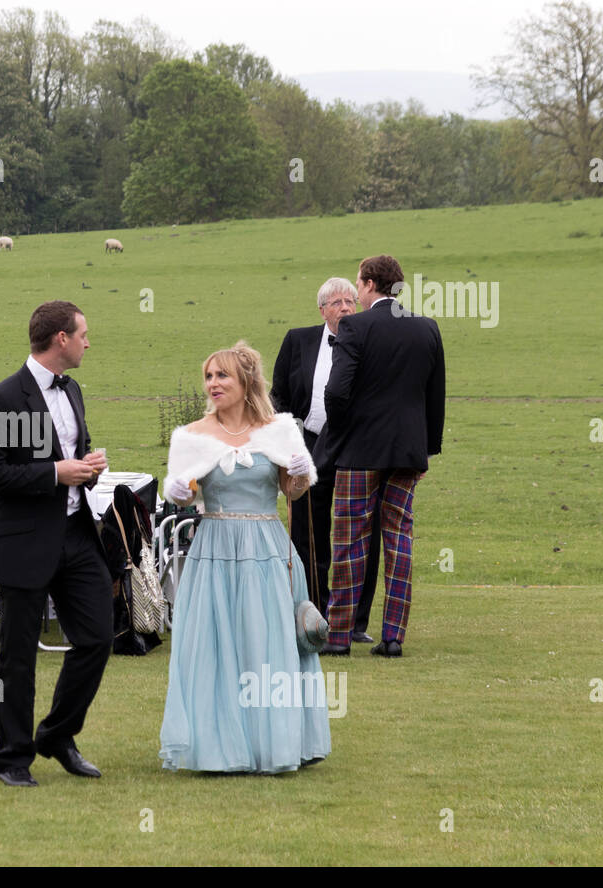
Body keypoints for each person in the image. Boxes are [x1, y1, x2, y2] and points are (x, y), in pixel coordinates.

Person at [160, 342, 330, 773]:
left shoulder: (279, 429)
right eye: (209, 376)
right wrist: (177, 491)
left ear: (246, 381)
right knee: (214, 645)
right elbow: (183, 488)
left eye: (223, 376)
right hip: (213, 546)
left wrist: (298, 472)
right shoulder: (192, 435)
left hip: (266, 547)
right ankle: (217, 746)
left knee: (265, 642)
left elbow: (292, 491)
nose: (213, 384)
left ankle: (275, 742)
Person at [0, 300, 111, 787]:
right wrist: (56, 472)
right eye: (83, 334)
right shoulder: (2, 398)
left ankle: (56, 734)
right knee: (17, 656)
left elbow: (71, 453)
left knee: (97, 637)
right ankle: (12, 756)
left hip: (76, 536)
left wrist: (87, 468)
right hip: (23, 542)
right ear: (61, 339)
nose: (87, 342)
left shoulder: (71, 389)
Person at [315, 254, 446, 658]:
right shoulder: (427, 327)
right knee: (399, 540)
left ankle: (337, 637)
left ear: (371, 285)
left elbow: (336, 393)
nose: (356, 291)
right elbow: (435, 395)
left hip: (360, 452)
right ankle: (393, 637)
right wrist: (426, 450)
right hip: (407, 452)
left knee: (350, 542)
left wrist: (340, 429)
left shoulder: (355, 326)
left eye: (359, 283)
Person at [270, 278, 379, 653]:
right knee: (306, 530)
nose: (346, 307)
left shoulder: (370, 341)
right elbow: (278, 395)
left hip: (355, 447)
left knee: (361, 531)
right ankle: (313, 612)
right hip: (309, 445)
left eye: (351, 300)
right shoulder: (297, 340)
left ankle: (355, 621)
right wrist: (286, 441)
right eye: (336, 302)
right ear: (322, 310)